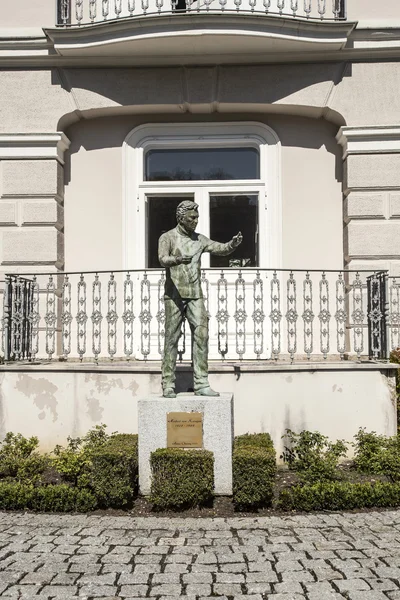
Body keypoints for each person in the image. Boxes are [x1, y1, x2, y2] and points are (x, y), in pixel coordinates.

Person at [158, 200, 243, 398]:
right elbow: (162, 259)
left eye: (197, 217)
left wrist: (233, 244)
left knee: (202, 335)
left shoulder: (199, 240)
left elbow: (219, 248)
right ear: (181, 217)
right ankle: (168, 382)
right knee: (172, 337)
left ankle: (201, 382)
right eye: (192, 217)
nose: (196, 221)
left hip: (195, 294)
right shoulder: (167, 237)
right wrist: (176, 260)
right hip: (174, 295)